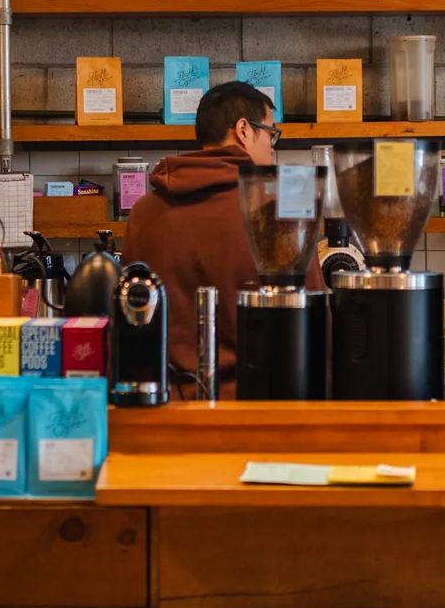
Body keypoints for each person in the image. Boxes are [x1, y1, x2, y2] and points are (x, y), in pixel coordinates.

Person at [123, 80, 311, 394]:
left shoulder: (144, 212)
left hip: (165, 407)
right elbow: (313, 320)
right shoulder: (278, 207)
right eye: (271, 133)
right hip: (257, 405)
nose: (272, 146)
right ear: (244, 130)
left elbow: (131, 320)